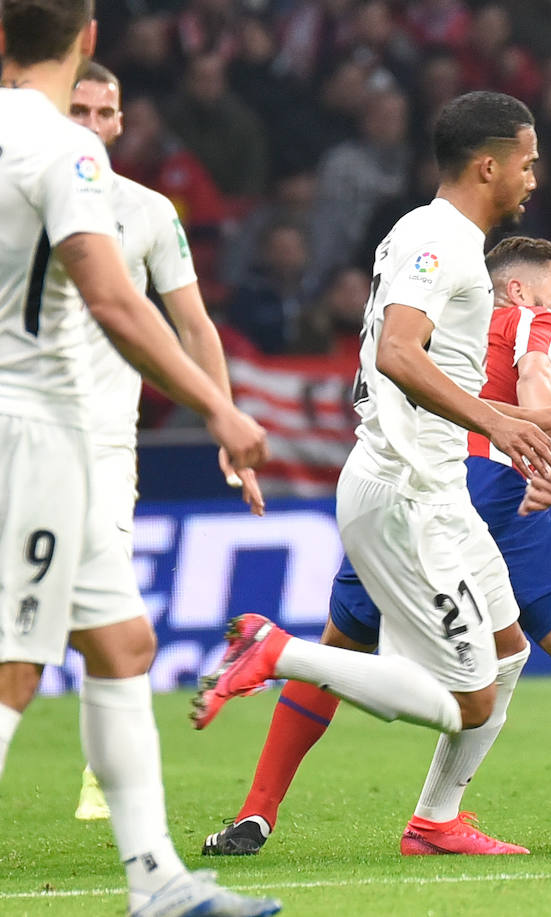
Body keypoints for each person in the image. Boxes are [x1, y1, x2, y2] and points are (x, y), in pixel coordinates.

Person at [203, 236, 551, 856]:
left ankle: (255, 818)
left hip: (403, 489)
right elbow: (537, 376)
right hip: (492, 493)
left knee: (350, 645)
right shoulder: (532, 320)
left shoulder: (427, 328)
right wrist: (547, 440)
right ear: (518, 291)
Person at [191, 91, 551, 857]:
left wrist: (521, 417)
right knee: (466, 699)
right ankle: (277, 652)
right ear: (489, 165)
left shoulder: (426, 232)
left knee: (509, 649)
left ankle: (436, 820)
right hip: (407, 491)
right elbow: (398, 352)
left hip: (434, 485)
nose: (534, 178)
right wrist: (498, 422)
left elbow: (425, 366)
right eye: (527, 162)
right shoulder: (442, 242)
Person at [0, 2, 276, 914]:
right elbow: (115, 301)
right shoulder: (65, 152)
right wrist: (218, 409)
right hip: (33, 427)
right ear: (87, 38)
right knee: (15, 665)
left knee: (124, 644)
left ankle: (156, 881)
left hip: (64, 439)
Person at [65, 60, 267, 824]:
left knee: (120, 623)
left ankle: (107, 775)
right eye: (77, 110)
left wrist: (223, 419)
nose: (91, 125)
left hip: (105, 448)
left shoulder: (147, 211)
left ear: (121, 124)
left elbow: (194, 326)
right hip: (21, 438)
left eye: (103, 112)